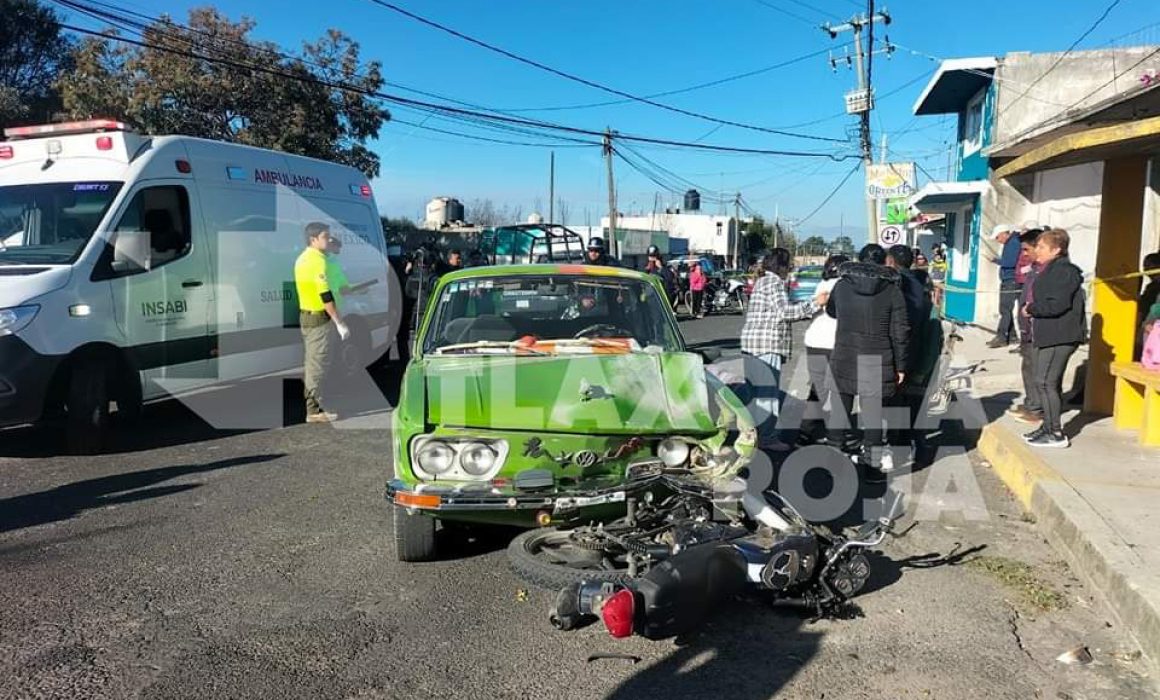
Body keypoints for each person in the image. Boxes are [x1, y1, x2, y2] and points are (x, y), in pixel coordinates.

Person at [826, 244, 910, 477]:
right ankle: (871, 468)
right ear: (884, 262)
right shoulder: (892, 290)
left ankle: (832, 460)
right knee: (872, 415)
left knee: (840, 410)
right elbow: (900, 330)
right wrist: (901, 365)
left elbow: (832, 312)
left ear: (859, 260)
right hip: (877, 355)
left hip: (844, 353)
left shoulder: (842, 286)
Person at [740, 248, 825, 451]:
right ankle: (767, 438)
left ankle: (751, 434)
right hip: (766, 343)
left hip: (752, 343)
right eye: (789, 265)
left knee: (755, 393)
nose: (790, 269)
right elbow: (785, 312)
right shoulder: (774, 282)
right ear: (782, 266)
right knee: (767, 394)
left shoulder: (762, 280)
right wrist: (815, 304)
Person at [1022, 228, 1085, 449]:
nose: (1036, 250)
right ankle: (1048, 425)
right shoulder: (1049, 269)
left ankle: (1055, 432)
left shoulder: (1064, 271)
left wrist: (1032, 309)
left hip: (1060, 335)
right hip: (1047, 334)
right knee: (1044, 381)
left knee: (1046, 382)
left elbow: (1057, 304)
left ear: (1056, 249)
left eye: (1041, 246)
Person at [294, 222, 350, 423]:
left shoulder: (308, 258)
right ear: (313, 239)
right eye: (325, 236)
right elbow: (324, 295)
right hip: (319, 316)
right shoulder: (316, 261)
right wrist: (338, 321)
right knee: (317, 364)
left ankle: (318, 404)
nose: (329, 240)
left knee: (318, 361)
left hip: (311, 315)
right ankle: (314, 410)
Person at [886, 245, 935, 456]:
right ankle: (911, 442)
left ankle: (896, 443)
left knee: (895, 400)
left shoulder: (894, 284)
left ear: (890, 261)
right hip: (918, 351)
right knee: (913, 402)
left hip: (899, 350)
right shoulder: (920, 284)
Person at [801, 254, 848, 445]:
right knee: (838, 391)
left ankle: (805, 432)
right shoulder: (846, 287)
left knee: (817, 389)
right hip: (836, 343)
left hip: (814, 342)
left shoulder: (822, 284)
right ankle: (835, 435)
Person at [1007, 229, 1045, 424]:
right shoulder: (1035, 268)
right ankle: (1032, 403)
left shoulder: (1048, 272)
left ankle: (1036, 408)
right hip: (1027, 330)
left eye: (1026, 249)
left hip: (1038, 331)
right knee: (1028, 367)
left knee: (1037, 371)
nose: (1024, 254)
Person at [986, 223, 1024, 348]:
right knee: (1006, 309)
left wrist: (995, 260)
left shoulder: (1013, 243)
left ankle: (1001, 336)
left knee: (1005, 309)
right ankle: (1012, 336)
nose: (998, 240)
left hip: (1011, 279)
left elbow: (1010, 262)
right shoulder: (1011, 243)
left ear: (1004, 234)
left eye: (998, 237)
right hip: (1009, 279)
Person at [1136, 251, 1160, 360]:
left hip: (1151, 328)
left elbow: (1154, 308)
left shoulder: (1154, 287)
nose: (1146, 271)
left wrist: (1148, 323)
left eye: (1148, 267)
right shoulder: (1152, 286)